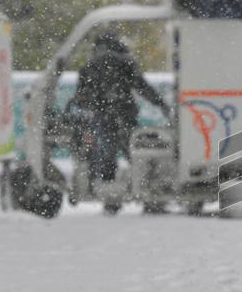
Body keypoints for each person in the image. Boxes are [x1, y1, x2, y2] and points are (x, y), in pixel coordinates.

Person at [68, 31, 170, 184]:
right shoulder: (125, 62)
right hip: (125, 113)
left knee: (105, 152)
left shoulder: (90, 65)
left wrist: (91, 105)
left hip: (102, 115)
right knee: (135, 150)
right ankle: (147, 187)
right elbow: (142, 86)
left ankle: (108, 190)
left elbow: (82, 96)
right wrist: (160, 103)